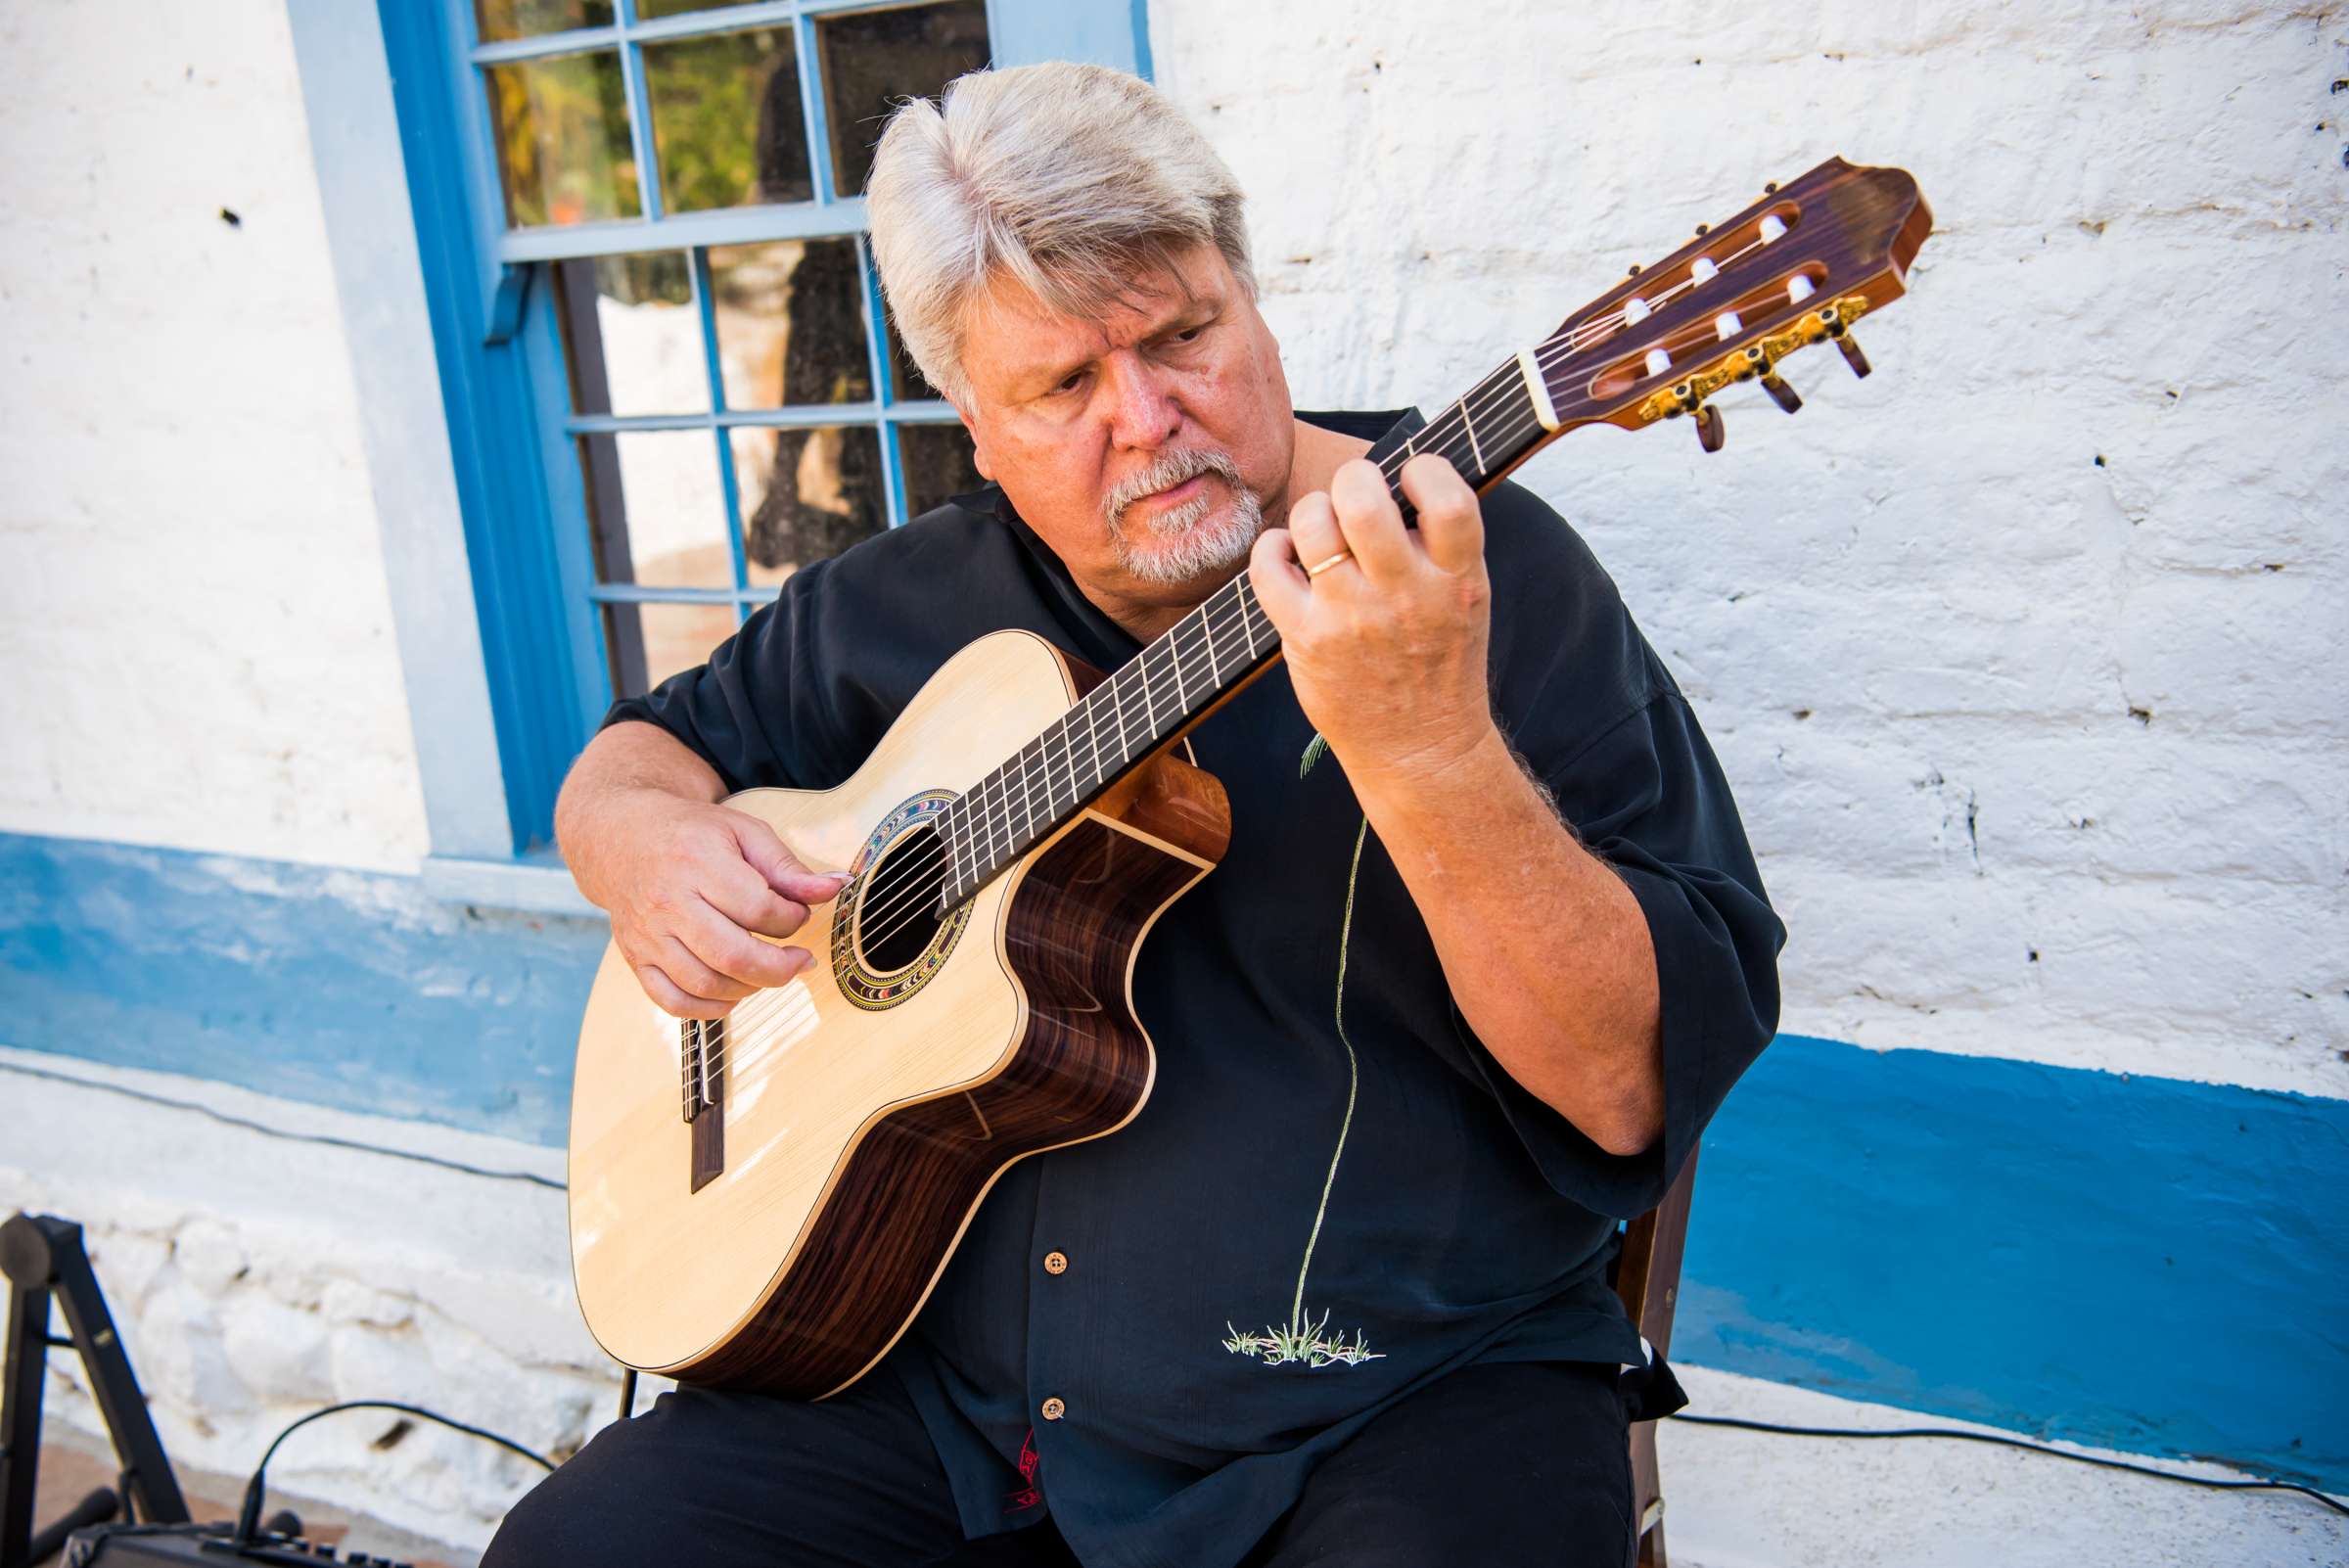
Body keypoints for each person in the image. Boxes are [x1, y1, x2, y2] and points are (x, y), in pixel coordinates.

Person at [485, 62, 1782, 1568]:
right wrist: (641, 850)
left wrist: (1429, 745)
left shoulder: (1481, 576)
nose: (1153, 418)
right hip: (942, 1402)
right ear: (973, 423)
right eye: (1065, 387)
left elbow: (1627, 1085)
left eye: (1184, 336)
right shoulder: (900, 611)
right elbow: (635, 760)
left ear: (1252, 296)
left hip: (1389, 1400)